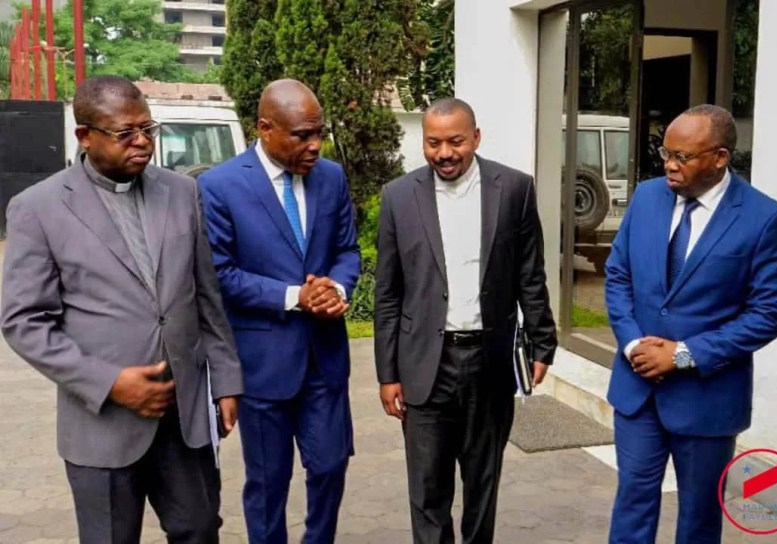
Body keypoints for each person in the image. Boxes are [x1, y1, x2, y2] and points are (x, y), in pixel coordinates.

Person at [0, 75, 243, 543]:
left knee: (199, 530)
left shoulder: (182, 192)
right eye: (124, 133)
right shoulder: (38, 208)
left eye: (147, 129)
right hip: (102, 425)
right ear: (85, 135)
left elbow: (205, 295)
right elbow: (24, 322)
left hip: (183, 414)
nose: (142, 142)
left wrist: (227, 380)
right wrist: (109, 383)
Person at [605, 104, 777, 544]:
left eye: (682, 156)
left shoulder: (763, 218)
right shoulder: (646, 198)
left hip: (707, 398)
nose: (669, 165)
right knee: (632, 503)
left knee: (699, 517)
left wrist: (684, 355)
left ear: (720, 157)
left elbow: (769, 313)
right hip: (638, 392)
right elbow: (617, 276)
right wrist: (633, 345)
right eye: (665, 153)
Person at [374, 97, 558, 544]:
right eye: (433, 143)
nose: (444, 153)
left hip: (488, 363)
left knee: (482, 484)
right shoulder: (398, 196)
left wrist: (543, 341)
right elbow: (388, 292)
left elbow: (530, 274)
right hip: (423, 365)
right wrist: (387, 373)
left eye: (455, 141)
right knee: (427, 490)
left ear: (475, 137)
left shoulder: (514, 189)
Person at [197, 79, 361, 544]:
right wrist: (295, 296)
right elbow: (220, 274)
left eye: (319, 133)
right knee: (269, 484)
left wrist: (335, 288)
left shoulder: (331, 177)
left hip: (324, 359)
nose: (315, 145)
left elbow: (347, 250)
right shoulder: (219, 186)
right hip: (262, 366)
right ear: (265, 128)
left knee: (330, 466)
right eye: (302, 135)